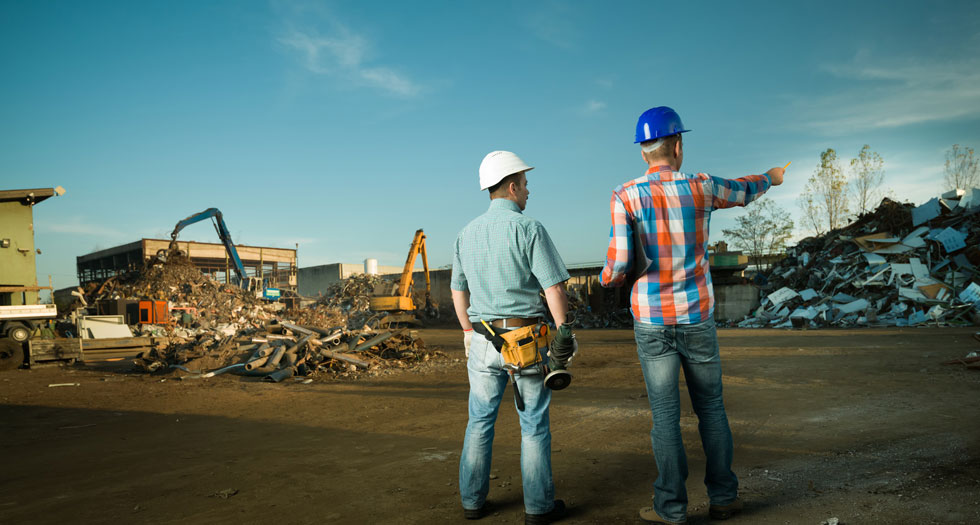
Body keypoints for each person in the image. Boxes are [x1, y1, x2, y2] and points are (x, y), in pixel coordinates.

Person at [599, 106, 785, 524]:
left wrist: (608, 277)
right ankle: (723, 497)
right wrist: (771, 178)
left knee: (665, 417)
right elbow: (744, 188)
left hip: (652, 321)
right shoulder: (701, 187)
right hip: (697, 316)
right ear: (678, 145)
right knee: (712, 410)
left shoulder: (625, 195)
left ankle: (672, 508)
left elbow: (619, 264)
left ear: (644, 153)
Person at [452, 150, 572, 524]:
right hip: (525, 344)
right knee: (533, 424)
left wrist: (467, 331)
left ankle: (472, 503)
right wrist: (564, 329)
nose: (528, 191)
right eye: (524, 184)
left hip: (483, 342)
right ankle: (537, 509)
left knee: (479, 421)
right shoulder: (529, 229)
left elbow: (459, 292)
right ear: (512, 185)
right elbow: (553, 287)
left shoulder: (465, 233)